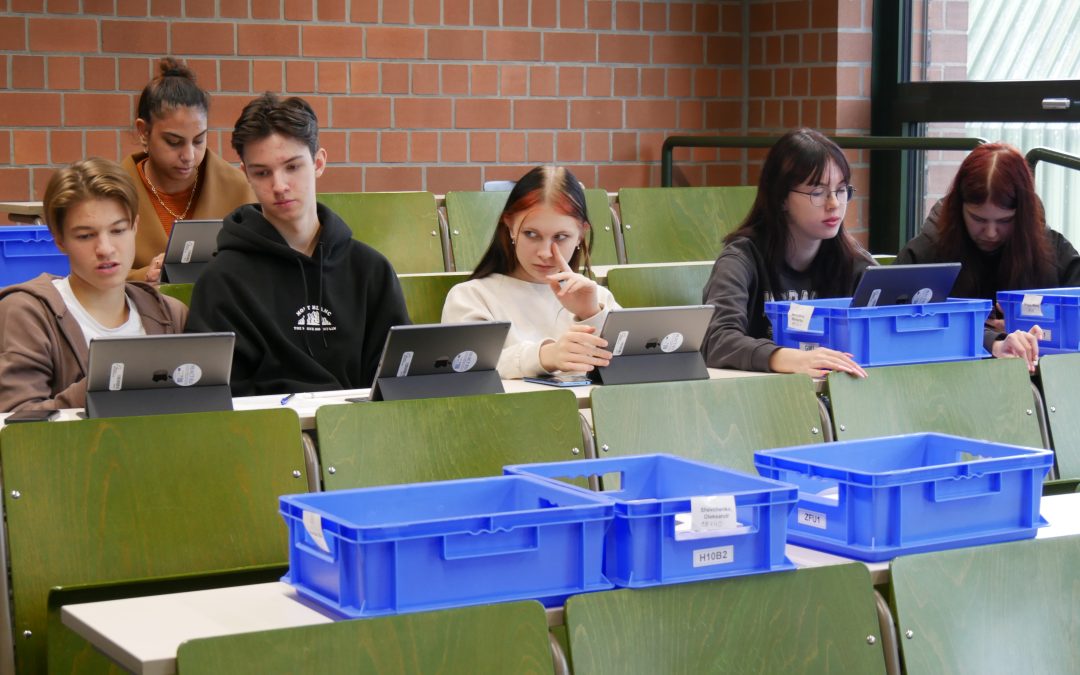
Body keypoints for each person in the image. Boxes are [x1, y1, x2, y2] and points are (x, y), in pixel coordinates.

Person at [185, 93, 409, 396]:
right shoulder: (222, 282)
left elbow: (398, 380)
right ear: (246, 175)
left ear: (318, 163)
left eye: (292, 167)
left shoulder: (371, 271)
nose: (279, 185)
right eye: (262, 173)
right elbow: (218, 397)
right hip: (270, 436)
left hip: (362, 435)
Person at [0, 158, 188, 413]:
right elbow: (14, 421)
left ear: (135, 227)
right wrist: (99, 389)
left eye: (118, 230)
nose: (105, 249)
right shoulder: (28, 313)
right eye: (86, 236)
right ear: (59, 240)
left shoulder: (171, 313)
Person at [701, 128, 873, 377]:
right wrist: (785, 358)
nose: (834, 203)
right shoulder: (741, 259)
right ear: (781, 198)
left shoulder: (854, 261)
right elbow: (716, 340)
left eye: (841, 190)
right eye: (817, 192)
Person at [896, 142, 1078, 372]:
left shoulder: (1050, 248)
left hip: (1035, 381)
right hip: (946, 380)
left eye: (1005, 221)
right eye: (978, 219)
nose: (991, 233)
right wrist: (992, 338)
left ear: (1023, 215)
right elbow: (897, 318)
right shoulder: (927, 251)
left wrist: (1033, 326)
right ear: (958, 208)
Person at [441, 165, 619, 379]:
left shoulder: (598, 299)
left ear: (581, 235)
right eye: (531, 234)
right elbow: (464, 367)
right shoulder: (472, 297)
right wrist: (545, 356)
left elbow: (631, 361)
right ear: (510, 227)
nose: (545, 253)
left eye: (561, 237)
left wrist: (591, 315)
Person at [122, 57, 255, 282]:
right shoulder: (113, 192)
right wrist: (143, 276)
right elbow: (89, 274)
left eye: (199, 140)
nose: (189, 156)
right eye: (173, 142)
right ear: (143, 132)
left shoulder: (237, 187)